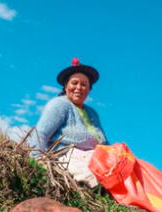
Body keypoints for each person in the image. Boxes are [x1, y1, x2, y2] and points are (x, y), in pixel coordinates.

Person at [30, 58, 108, 187]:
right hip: (68, 156)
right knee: (95, 178)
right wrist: (38, 161)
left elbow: (105, 143)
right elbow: (40, 134)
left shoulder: (92, 113)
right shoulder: (60, 104)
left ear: (89, 89)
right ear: (66, 86)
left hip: (95, 157)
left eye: (84, 84)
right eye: (74, 83)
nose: (79, 88)